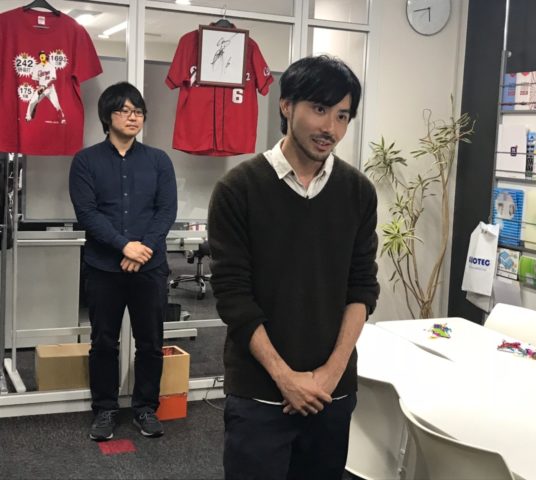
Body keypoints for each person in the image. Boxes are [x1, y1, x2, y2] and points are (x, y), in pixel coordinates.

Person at [208, 55, 380, 479]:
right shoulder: (238, 189)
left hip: (331, 394)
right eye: (319, 109)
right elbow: (233, 297)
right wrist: (285, 377)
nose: (331, 128)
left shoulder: (358, 192)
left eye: (343, 116)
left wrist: (330, 375)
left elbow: (361, 288)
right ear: (286, 106)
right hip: (260, 393)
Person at [69, 82, 177, 441]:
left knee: (150, 342)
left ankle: (145, 408)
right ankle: (105, 409)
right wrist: (123, 247)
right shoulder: (86, 161)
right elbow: (87, 213)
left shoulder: (159, 161)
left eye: (138, 111)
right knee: (103, 342)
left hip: (150, 267)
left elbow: (166, 211)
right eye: (125, 110)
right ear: (107, 115)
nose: (133, 117)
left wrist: (142, 249)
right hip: (104, 268)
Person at [26, 51, 65, 124]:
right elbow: (35, 79)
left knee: (56, 104)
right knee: (32, 101)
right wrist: (38, 87)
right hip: (40, 88)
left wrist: (44, 86)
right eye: (40, 56)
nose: (42, 57)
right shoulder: (37, 67)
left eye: (43, 55)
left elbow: (53, 79)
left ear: (46, 56)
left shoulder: (51, 67)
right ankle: (28, 117)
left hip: (50, 89)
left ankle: (62, 118)